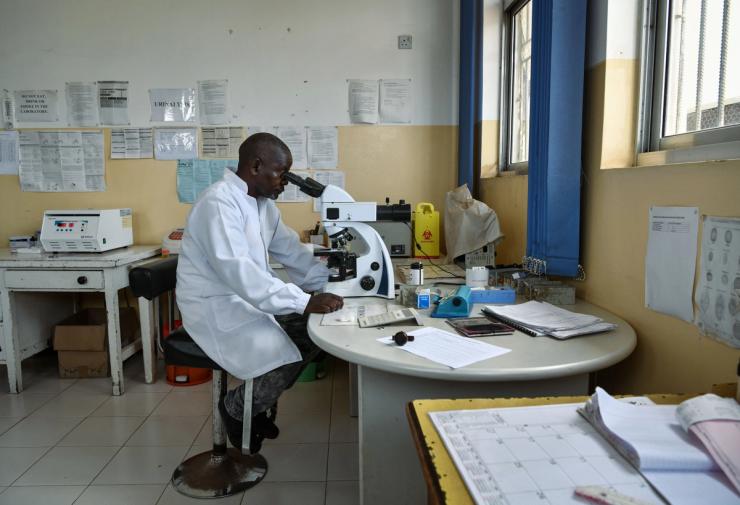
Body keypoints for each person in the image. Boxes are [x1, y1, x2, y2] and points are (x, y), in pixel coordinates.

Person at [176, 132, 344, 453]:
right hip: (215, 307)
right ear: (255, 166)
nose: (285, 183)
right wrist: (305, 301)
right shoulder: (219, 202)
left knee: (314, 332)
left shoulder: (263, 206)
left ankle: (257, 402)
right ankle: (237, 408)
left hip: (248, 299)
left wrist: (331, 282)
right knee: (288, 344)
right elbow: (241, 273)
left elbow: (293, 253)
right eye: (281, 174)